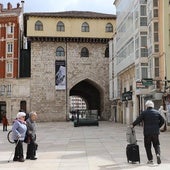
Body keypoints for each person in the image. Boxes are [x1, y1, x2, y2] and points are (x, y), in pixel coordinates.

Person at [131, 100, 165, 165]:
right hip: (155, 132)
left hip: (147, 133)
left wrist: (133, 125)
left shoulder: (144, 113)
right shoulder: (157, 112)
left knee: (147, 146)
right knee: (156, 144)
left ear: (146, 106)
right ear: (153, 106)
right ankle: (158, 154)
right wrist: (158, 126)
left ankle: (150, 160)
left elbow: (138, 120)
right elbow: (163, 121)